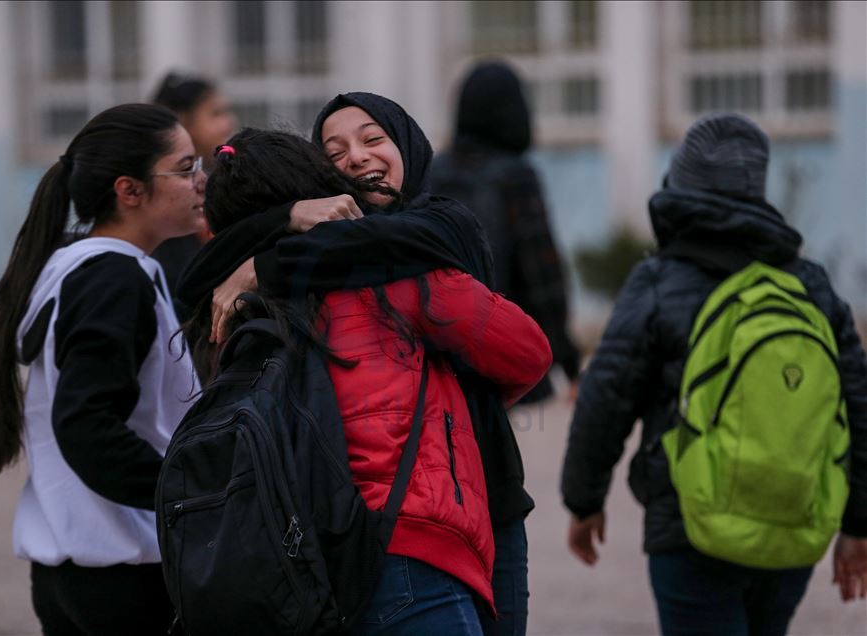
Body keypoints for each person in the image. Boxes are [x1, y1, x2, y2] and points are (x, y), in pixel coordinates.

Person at [180, 128, 552, 634]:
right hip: (409, 550)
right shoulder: (397, 273)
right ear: (322, 185)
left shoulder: (220, 309)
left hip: (295, 567)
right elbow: (528, 352)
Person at [560, 113, 867, 635]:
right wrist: (858, 524)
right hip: (791, 525)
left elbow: (604, 397)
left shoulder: (658, 281)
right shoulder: (810, 286)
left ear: (680, 183)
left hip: (689, 527)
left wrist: (584, 501)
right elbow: (857, 402)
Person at [0, 103, 204, 634]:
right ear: (130, 190)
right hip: (122, 570)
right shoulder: (112, 280)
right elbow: (86, 425)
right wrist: (191, 491)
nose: (200, 182)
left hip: (78, 567)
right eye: (186, 169)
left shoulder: (82, 264)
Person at [431, 60, 581, 405]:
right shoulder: (516, 176)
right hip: (498, 342)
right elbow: (542, 275)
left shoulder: (433, 172)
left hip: (440, 345)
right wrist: (568, 361)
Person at [150, 71, 236, 308]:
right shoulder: (164, 201)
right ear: (182, 121)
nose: (228, 123)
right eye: (216, 113)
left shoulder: (222, 179)